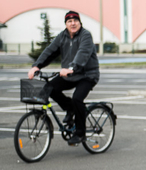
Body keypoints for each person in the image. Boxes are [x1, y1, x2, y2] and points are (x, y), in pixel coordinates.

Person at [28, 10, 100, 145]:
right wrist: (36, 66)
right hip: (70, 75)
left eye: (75, 21)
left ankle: (80, 134)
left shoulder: (86, 36)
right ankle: (70, 108)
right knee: (49, 88)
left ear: (79, 22)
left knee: (77, 98)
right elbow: (50, 51)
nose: (73, 23)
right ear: (66, 24)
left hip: (87, 74)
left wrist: (72, 68)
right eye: (69, 21)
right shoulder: (62, 36)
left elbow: (82, 54)